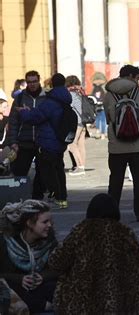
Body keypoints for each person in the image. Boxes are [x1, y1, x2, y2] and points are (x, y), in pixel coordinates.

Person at [48, 193, 139, 314]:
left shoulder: (81, 231)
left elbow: (56, 262)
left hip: (82, 304)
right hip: (122, 304)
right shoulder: (125, 233)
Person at [17, 73, 71, 209]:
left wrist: (24, 112)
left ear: (51, 83)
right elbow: (45, 114)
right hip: (59, 140)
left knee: (48, 172)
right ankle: (62, 199)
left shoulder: (51, 100)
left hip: (48, 141)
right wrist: (33, 111)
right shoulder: (64, 98)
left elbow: (36, 118)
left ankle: (56, 196)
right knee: (59, 170)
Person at [104, 64, 139, 222]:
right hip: (138, 144)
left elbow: (108, 117)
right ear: (131, 76)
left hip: (116, 146)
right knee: (138, 181)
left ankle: (112, 213)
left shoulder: (109, 94)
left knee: (115, 180)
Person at [0, 199, 57, 313]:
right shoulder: (6, 242)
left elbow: (58, 268)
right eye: (45, 222)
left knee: (56, 285)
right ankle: (40, 305)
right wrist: (20, 279)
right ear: (30, 223)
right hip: (15, 289)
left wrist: (42, 276)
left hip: (39, 289)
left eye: (49, 221)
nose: (49, 225)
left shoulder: (50, 242)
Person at [5, 70, 47, 200]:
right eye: (29, 82)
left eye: (34, 81)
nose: (32, 84)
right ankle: (19, 197)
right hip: (24, 141)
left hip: (42, 140)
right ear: (26, 82)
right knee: (20, 171)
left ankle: (37, 198)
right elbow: (13, 121)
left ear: (39, 80)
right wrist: (13, 142)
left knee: (42, 172)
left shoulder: (46, 97)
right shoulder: (20, 98)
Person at [65, 75, 87, 176]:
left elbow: (74, 108)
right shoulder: (80, 93)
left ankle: (79, 167)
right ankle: (82, 166)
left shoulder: (71, 95)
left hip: (76, 122)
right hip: (83, 122)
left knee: (71, 144)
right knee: (81, 145)